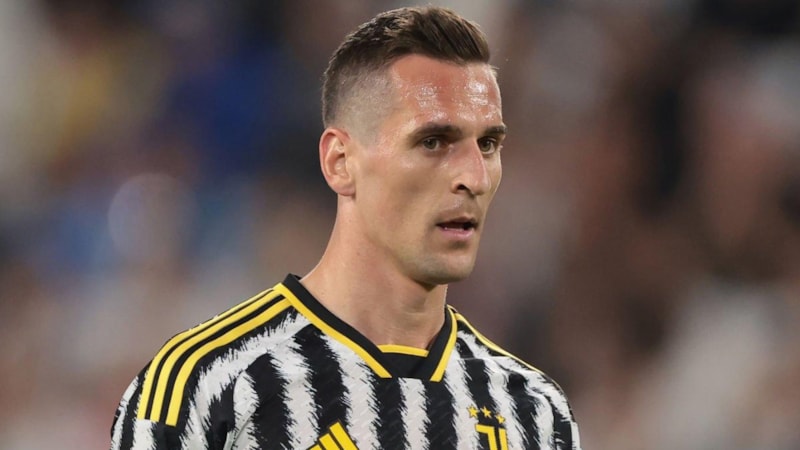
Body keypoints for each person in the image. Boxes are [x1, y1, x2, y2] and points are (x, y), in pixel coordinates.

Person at [110, 6, 581, 449]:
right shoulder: (206, 387)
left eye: (488, 144)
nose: (474, 177)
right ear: (340, 162)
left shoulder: (534, 412)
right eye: (434, 141)